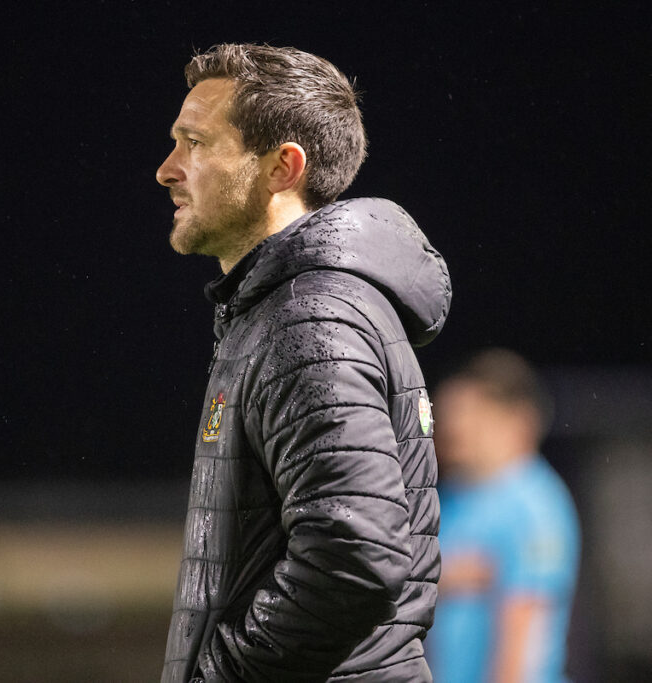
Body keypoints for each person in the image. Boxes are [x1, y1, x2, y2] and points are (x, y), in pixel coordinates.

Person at [155, 43, 452, 682]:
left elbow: (356, 556)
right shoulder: (284, 307)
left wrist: (221, 675)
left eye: (196, 143)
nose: (167, 169)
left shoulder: (309, 317)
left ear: (282, 168)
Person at [427, 349, 581, 683]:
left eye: (473, 414)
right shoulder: (449, 497)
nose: (456, 427)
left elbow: (523, 632)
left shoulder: (535, 504)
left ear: (517, 420)